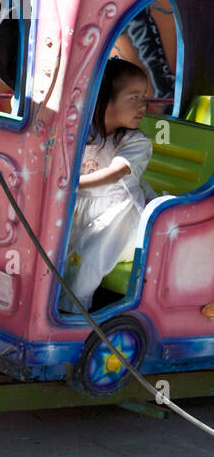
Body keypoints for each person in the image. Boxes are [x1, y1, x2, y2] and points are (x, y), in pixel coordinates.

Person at [63, 58, 156, 311]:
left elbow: (115, 173)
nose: (143, 106)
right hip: (82, 211)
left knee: (89, 257)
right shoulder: (84, 133)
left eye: (144, 98)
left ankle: (74, 314)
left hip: (121, 221)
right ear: (105, 99)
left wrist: (69, 186)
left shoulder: (136, 142)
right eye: (134, 98)